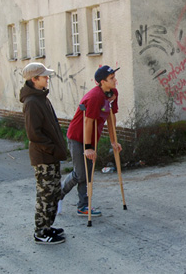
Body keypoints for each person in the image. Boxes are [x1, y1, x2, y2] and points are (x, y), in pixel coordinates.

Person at [61, 65, 122, 216]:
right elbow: (88, 121)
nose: (115, 80)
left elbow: (110, 116)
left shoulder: (112, 93)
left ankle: (83, 206)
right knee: (81, 174)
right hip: (77, 137)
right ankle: (58, 194)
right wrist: (88, 147)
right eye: (111, 78)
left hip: (92, 137)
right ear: (102, 82)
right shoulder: (95, 97)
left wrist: (113, 141)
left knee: (87, 173)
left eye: (114, 77)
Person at [20, 62, 68, 244]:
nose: (47, 78)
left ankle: (47, 226)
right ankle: (40, 232)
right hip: (43, 157)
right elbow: (34, 134)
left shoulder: (41, 98)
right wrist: (53, 148)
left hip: (51, 155)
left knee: (53, 192)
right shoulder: (32, 102)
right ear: (34, 79)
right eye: (44, 76)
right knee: (45, 194)